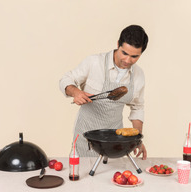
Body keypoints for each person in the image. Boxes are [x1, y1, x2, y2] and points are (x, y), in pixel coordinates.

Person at [59, 25, 148, 160]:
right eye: (124, 53)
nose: (128, 60)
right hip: (86, 137)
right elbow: (66, 79)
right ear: (118, 45)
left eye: (134, 56)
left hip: (115, 141)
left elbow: (137, 108)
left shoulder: (139, 75)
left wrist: (137, 140)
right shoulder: (94, 62)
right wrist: (75, 92)